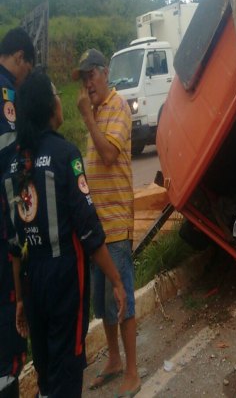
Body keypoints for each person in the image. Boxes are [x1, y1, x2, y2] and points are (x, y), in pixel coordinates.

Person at [3, 70, 126, 397]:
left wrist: (18, 300)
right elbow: (89, 231)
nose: (62, 100)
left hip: (31, 282)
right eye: (57, 94)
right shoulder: (64, 155)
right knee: (68, 371)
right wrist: (115, 280)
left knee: (45, 371)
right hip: (64, 279)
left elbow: (15, 244)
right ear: (49, 106)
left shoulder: (16, 164)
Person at [74, 49, 140, 396]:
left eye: (91, 75)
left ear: (105, 72)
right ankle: (114, 359)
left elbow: (110, 154)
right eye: (84, 78)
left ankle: (132, 370)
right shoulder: (96, 111)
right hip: (96, 229)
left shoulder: (117, 107)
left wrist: (87, 118)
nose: (88, 83)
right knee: (103, 304)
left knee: (121, 299)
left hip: (115, 225)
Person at [0, 28, 35, 398]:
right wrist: (19, 233)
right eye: (28, 67)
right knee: (9, 325)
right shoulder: (6, 92)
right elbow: (10, 170)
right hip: (2, 231)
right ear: (20, 57)